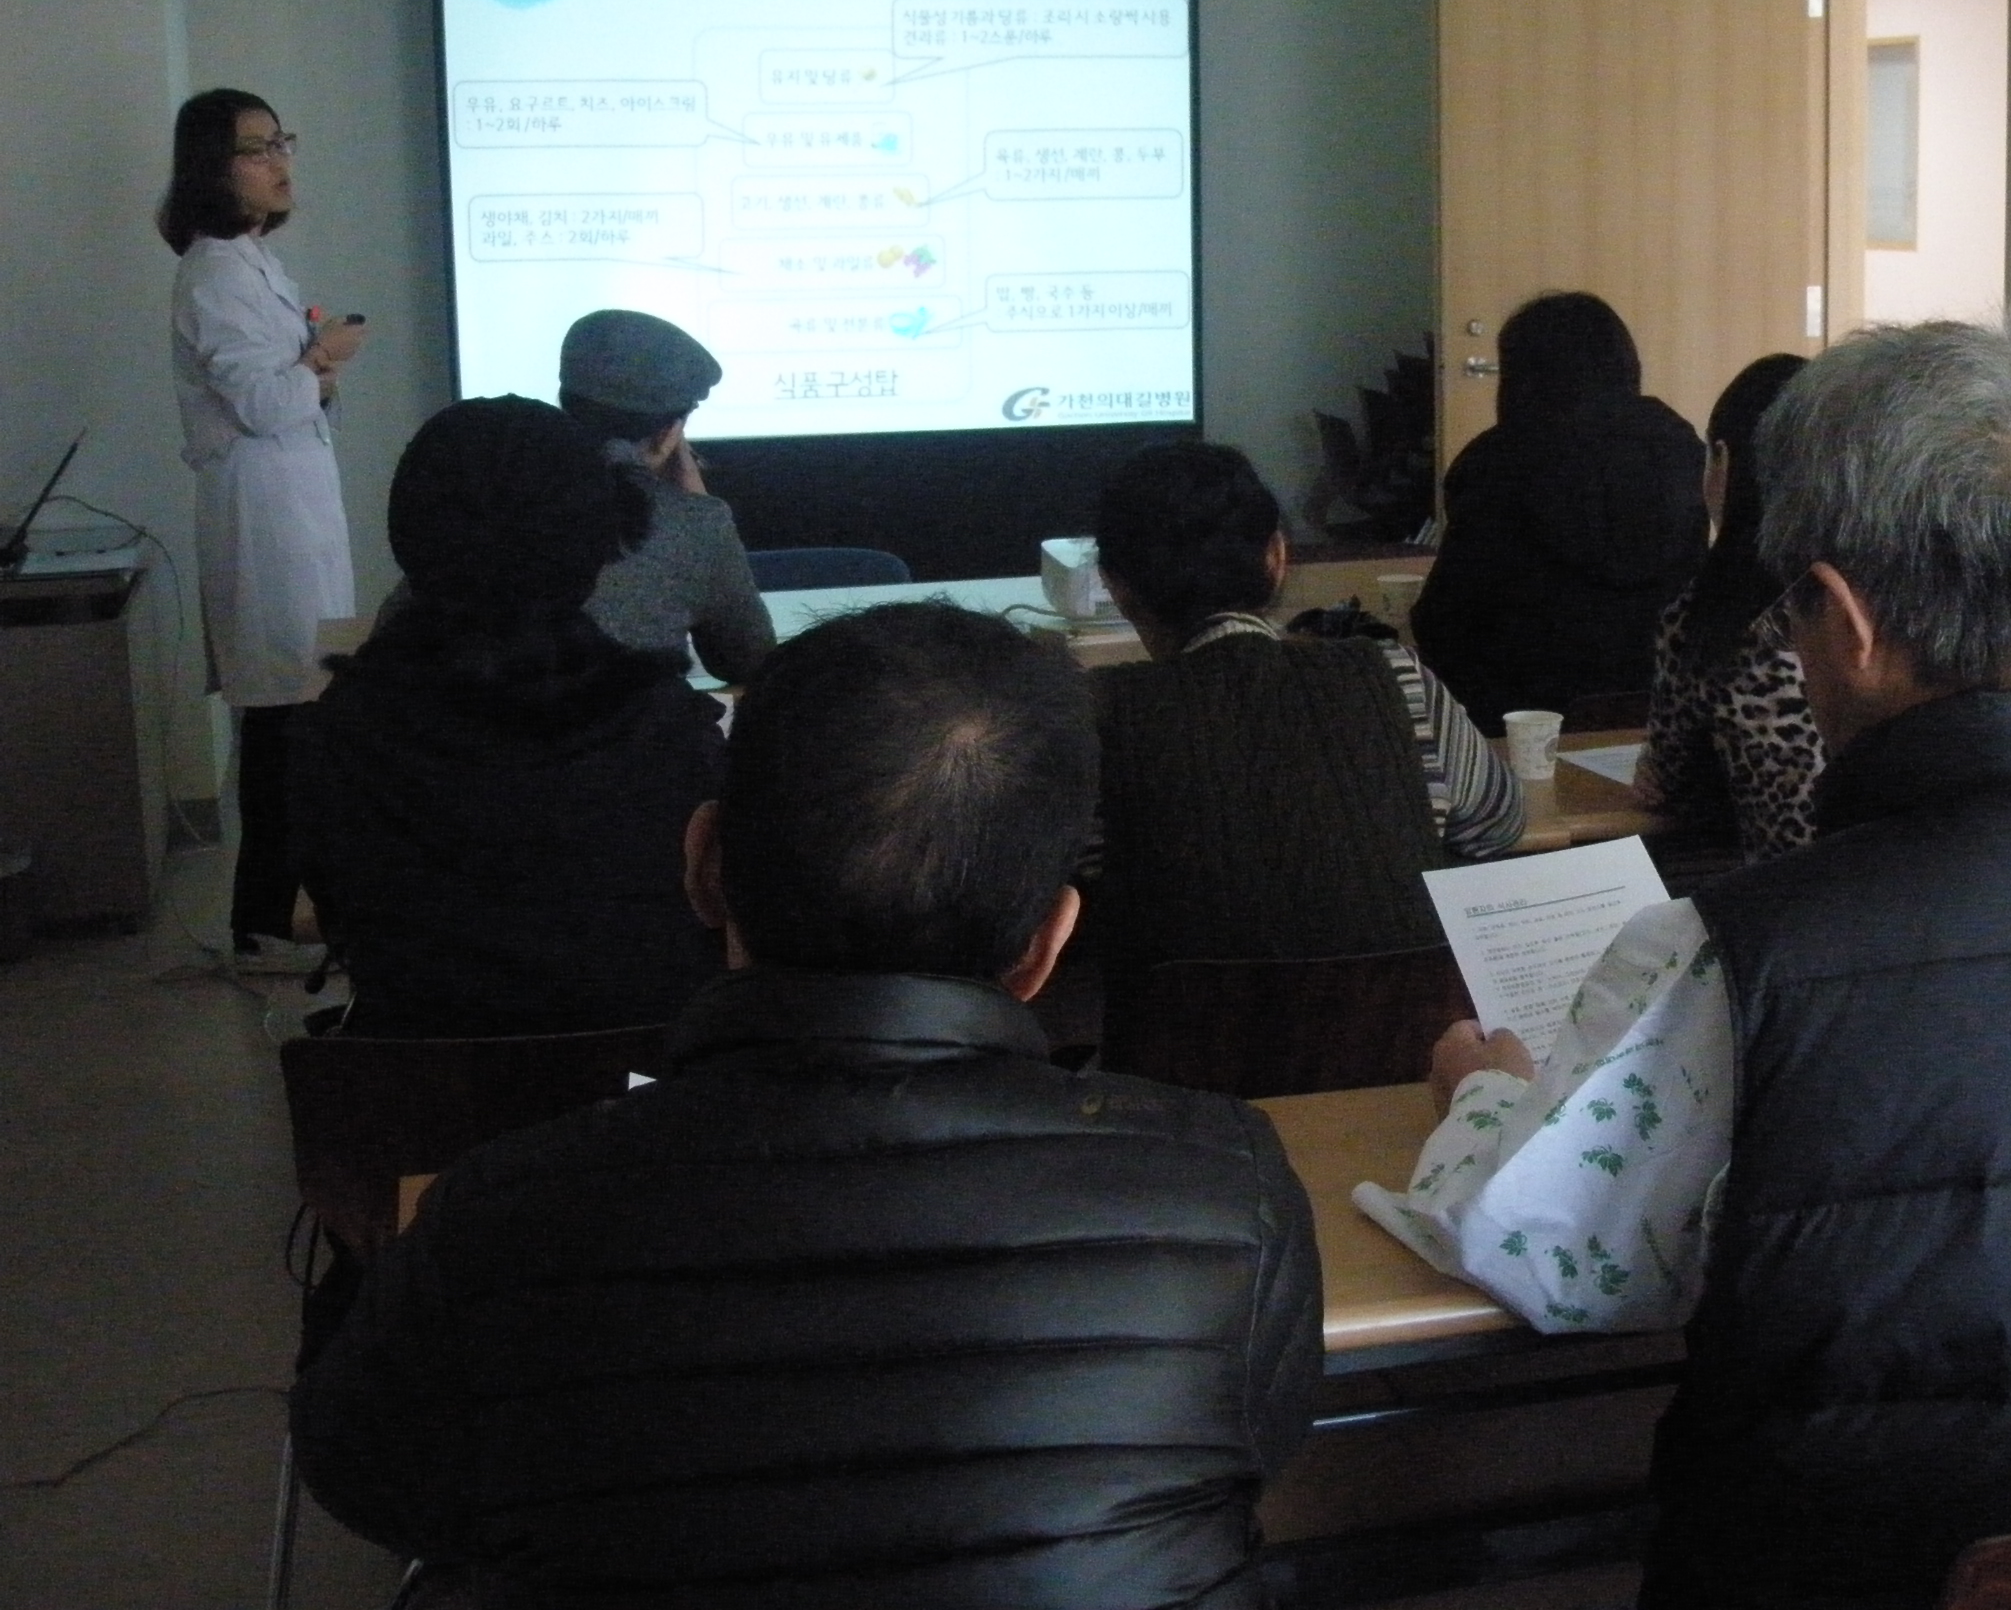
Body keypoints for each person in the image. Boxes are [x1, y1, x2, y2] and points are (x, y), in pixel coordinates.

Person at [1367, 323, 2011, 1610]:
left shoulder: (1745, 951)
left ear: (1845, 620)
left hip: (1849, 1570)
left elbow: (1547, 1258)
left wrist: (1485, 1093)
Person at [293, 602, 1322, 1605]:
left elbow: (369, 1480)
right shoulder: (1233, 1193)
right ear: (1047, 943)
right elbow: (1256, 1450)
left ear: (704, 866)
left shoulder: (495, 1217)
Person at [292, 397, 725, 1038]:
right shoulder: (675, 733)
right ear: (601, 542)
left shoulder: (342, 736)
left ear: (408, 535)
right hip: (643, 1085)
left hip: (417, 1084)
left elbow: (334, 917)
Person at [1088, 441, 1523, 978]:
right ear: (1276, 557)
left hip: (1177, 1032)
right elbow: (1498, 825)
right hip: (1403, 1027)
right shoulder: (1395, 674)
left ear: (1114, 585)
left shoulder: (1094, 716)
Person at [162, 88, 368, 961]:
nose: (279, 160)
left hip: (293, 510)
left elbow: (290, 395)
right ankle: (263, 923)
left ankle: (286, 911)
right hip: (264, 521)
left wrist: (316, 366)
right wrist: (320, 359)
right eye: (256, 148)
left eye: (283, 140)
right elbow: (261, 402)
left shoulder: (250, 260)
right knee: (285, 730)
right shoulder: (214, 271)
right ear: (212, 169)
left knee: (303, 720)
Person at [1410, 292, 1707, 732]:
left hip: (1519, 722)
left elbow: (1446, 622)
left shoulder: (1497, 461)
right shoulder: (1681, 452)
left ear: (1521, 379)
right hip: (1664, 712)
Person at [1637, 352, 1821, 859]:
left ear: (1722, 459)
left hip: (1783, 894)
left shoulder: (1710, 613)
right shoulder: (1893, 592)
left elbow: (1665, 781)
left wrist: (1651, 767)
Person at [557, 307, 773, 682]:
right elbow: (747, 660)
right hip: (634, 720)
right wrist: (699, 506)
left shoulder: (495, 495)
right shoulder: (694, 524)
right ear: (669, 434)